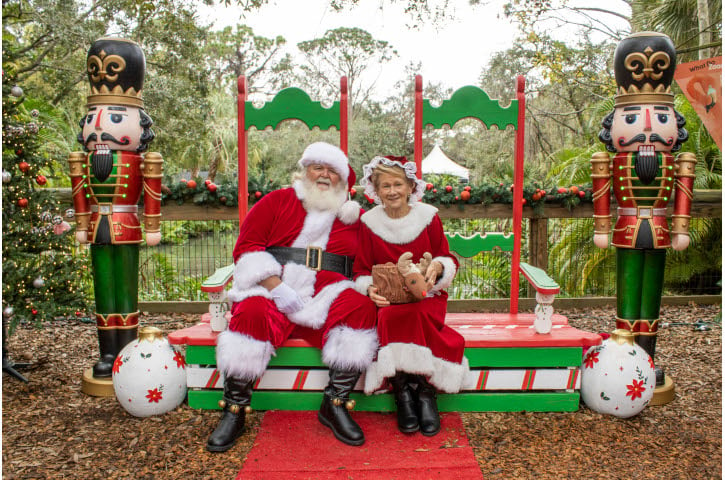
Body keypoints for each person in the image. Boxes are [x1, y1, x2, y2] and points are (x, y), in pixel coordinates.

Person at [207, 142, 378, 452]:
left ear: (343, 180)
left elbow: (369, 262)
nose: (325, 175)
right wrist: (277, 287)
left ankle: (335, 403)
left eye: (333, 171)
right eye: (319, 168)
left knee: (361, 306)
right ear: (306, 170)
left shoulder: (354, 219)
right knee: (253, 311)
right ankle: (234, 409)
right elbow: (247, 249)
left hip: (328, 295)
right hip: (274, 291)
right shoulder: (277, 201)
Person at [592, 32, 696, 387]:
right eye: (634, 120)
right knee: (628, 290)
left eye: (659, 120)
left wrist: (681, 227)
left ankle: (647, 358)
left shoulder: (678, 161)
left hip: (662, 231)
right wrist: (602, 227)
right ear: (614, 125)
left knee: (651, 294)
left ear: (674, 124)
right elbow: (603, 191)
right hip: (627, 228)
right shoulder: (611, 161)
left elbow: (682, 191)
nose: (647, 130)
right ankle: (625, 358)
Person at [353, 155, 469, 436]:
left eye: (397, 184)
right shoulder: (368, 222)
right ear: (376, 191)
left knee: (417, 312)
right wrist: (369, 289)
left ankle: (425, 392)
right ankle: (402, 390)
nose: (392, 191)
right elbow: (360, 268)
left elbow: (444, 253)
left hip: (427, 296)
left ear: (409, 187)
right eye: (385, 186)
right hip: (390, 298)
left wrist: (439, 267)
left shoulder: (428, 216)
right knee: (391, 314)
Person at [68, 37, 163, 381]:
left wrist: (152, 226)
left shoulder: (142, 159)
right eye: (96, 119)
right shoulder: (84, 159)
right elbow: (80, 191)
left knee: (125, 289)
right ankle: (107, 351)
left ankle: (127, 347)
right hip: (97, 226)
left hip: (126, 223)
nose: (103, 128)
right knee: (103, 288)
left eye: (117, 117)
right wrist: (82, 221)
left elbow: (151, 192)